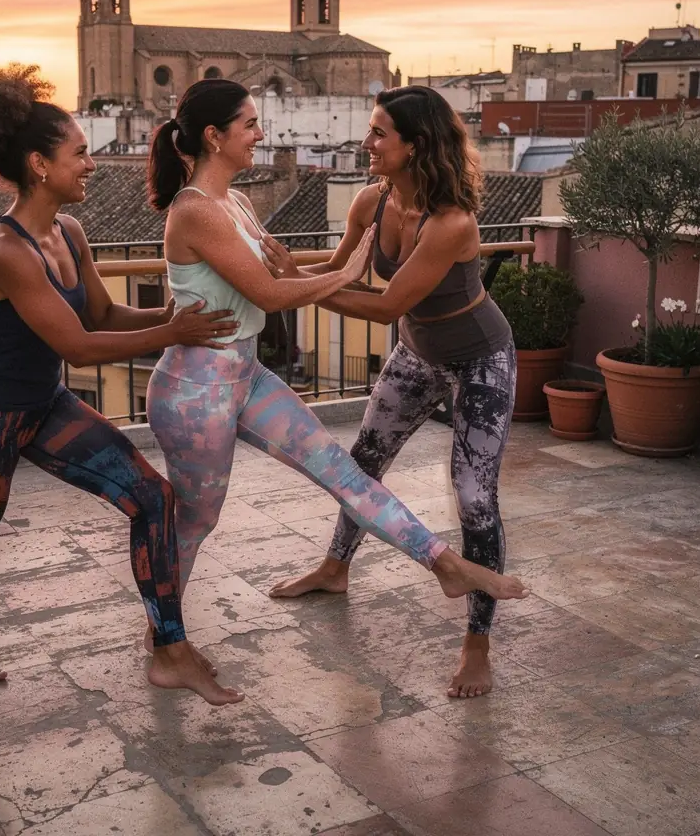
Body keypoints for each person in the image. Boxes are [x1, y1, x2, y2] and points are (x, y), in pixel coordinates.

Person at [143, 79, 528, 653]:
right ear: (213, 137)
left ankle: (452, 583)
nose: (261, 133)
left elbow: (311, 284)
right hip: (199, 389)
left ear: (417, 145)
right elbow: (277, 290)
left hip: (264, 373)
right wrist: (330, 278)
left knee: (385, 482)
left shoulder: (238, 200)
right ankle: (167, 641)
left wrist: (303, 278)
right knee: (200, 521)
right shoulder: (202, 211)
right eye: (250, 124)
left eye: (379, 133)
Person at [0, 62, 243, 705]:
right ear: (40, 166)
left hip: (42, 406)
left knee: (152, 497)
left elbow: (99, 315)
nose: (91, 164)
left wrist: (172, 317)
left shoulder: (67, 230)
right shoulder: (3, 249)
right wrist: (172, 335)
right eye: (79, 153)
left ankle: (170, 648)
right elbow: (76, 345)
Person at [268, 85, 516, 699]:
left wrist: (288, 281)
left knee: (473, 497)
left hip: (480, 359)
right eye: (371, 129)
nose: (367, 141)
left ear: (417, 145)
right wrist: (290, 270)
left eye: (380, 132)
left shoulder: (451, 223)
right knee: (361, 466)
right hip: (418, 353)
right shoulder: (370, 201)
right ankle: (335, 568)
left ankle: (477, 643)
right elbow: (342, 271)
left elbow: (384, 306)